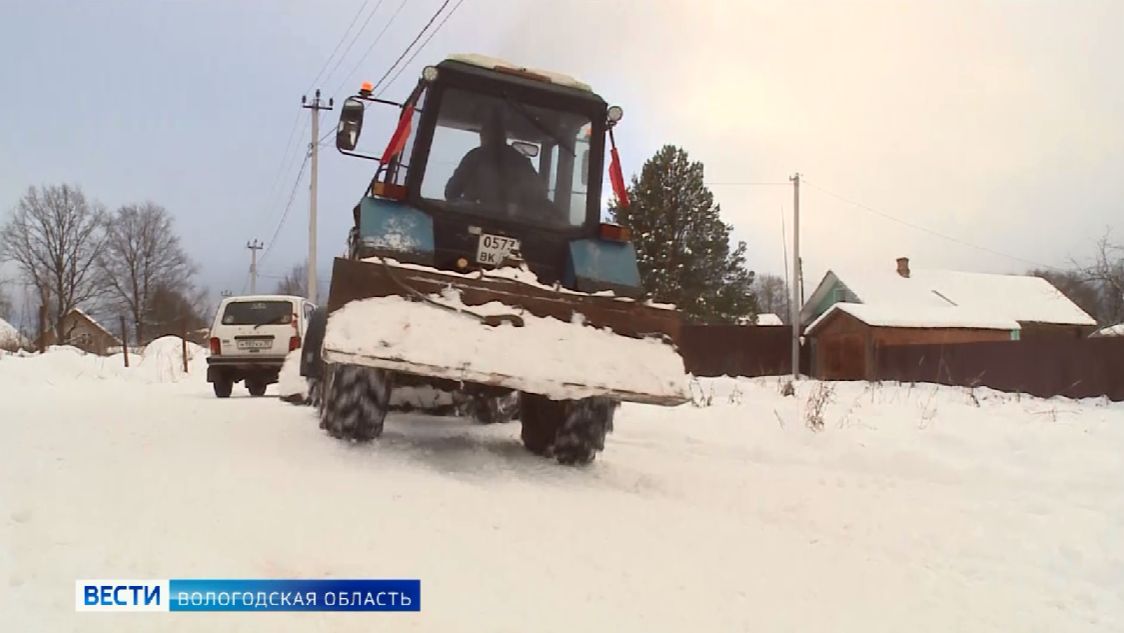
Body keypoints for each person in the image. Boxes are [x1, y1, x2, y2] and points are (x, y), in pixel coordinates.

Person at [444, 109, 548, 211]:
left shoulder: (473, 157)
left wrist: (469, 202)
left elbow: (450, 192)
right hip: (513, 224)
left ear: (483, 136)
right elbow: (539, 197)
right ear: (504, 137)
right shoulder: (521, 161)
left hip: (476, 219)